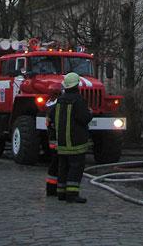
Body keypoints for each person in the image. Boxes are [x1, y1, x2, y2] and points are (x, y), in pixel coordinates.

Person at [46, 72, 92, 203]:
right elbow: (84, 118)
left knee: (63, 167)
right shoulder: (78, 100)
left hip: (62, 143)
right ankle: (72, 194)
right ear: (77, 85)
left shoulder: (59, 100)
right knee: (75, 167)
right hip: (76, 142)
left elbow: (52, 116)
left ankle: (61, 192)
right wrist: (90, 113)